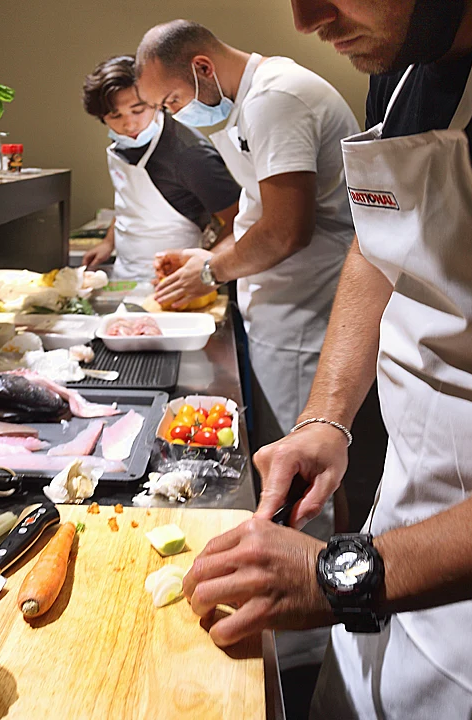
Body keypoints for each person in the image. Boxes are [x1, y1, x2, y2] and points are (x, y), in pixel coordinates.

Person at [181, 0, 472, 717]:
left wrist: (340, 577)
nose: (306, 18)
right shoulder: (402, 60)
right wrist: (325, 419)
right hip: (393, 546)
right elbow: (376, 244)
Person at [134, 21, 359, 670]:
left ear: (202, 68)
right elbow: (255, 211)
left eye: (170, 102)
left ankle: (307, 646)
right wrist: (208, 255)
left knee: (301, 484)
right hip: (278, 311)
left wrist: (209, 270)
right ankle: (314, 616)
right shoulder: (248, 104)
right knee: (300, 476)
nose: (172, 118)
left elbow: (285, 230)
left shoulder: (276, 99)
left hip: (306, 314)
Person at [80, 55, 240, 281]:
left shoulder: (190, 154)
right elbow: (128, 202)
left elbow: (239, 220)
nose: (129, 125)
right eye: (115, 116)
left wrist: (204, 270)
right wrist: (108, 242)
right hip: (124, 274)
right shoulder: (122, 144)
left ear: (156, 102)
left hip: (173, 278)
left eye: (138, 110)